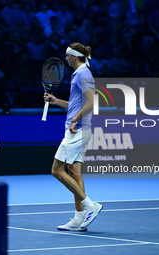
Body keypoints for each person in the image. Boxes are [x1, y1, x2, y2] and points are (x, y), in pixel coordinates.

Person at [44, 42, 102, 231]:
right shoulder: (80, 74)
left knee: (56, 170)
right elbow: (76, 104)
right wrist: (56, 101)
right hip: (81, 128)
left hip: (78, 130)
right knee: (75, 172)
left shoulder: (84, 74)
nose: (66, 58)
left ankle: (90, 206)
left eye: (67, 56)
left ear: (74, 57)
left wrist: (75, 119)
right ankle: (78, 219)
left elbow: (92, 103)